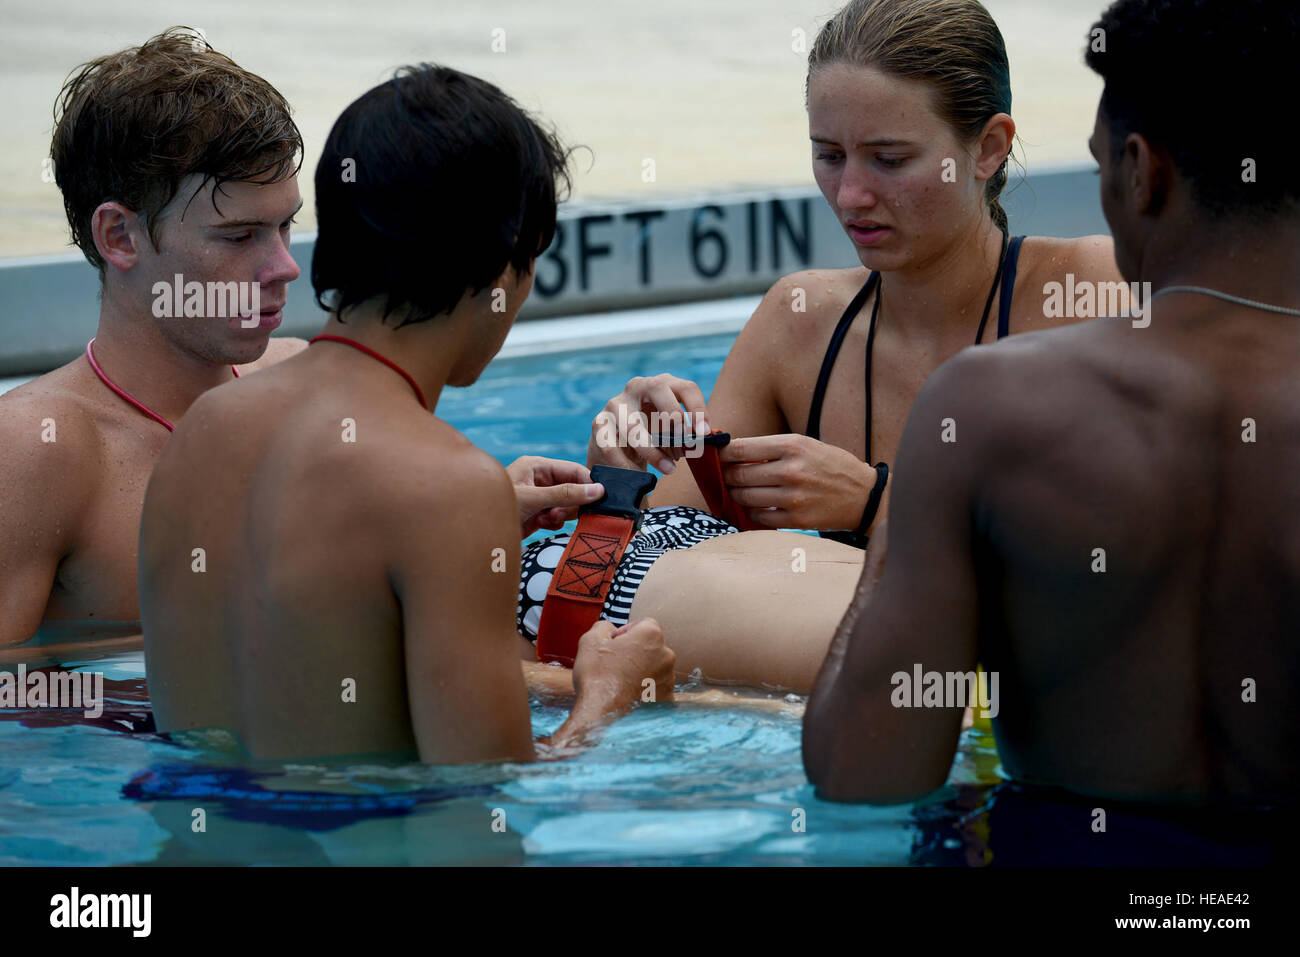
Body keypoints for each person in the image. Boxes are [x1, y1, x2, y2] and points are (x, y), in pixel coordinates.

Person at [518, 0, 1123, 689]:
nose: (852, 194)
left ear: (988, 148)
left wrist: (876, 501)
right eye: (828, 156)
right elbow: (658, 541)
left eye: (889, 159)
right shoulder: (800, 322)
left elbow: (1128, 547)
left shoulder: (1088, 292)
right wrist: (622, 462)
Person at [804, 0, 1300, 840]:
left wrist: (904, 517)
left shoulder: (986, 408)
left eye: (1103, 164)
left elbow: (864, 772)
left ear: (1143, 172)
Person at [138, 65, 676, 764]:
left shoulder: (205, 426)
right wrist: (608, 699)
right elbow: (477, 808)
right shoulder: (451, 487)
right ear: (503, 265)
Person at [0, 29, 307, 648]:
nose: (283, 268)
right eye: (240, 237)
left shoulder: (297, 383)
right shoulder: (38, 451)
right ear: (120, 237)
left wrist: (464, 512)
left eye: (286, 227)